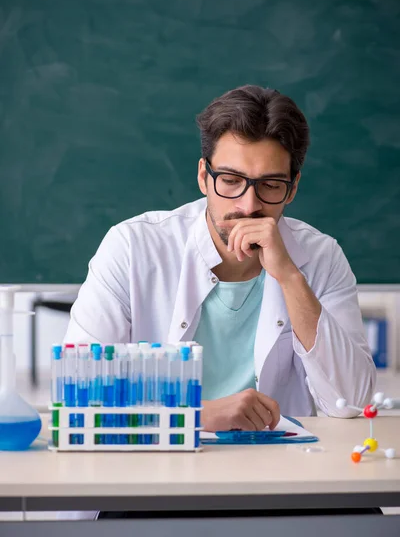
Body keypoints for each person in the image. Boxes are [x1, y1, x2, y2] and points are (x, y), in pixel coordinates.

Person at [63, 85, 378, 521]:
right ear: (203, 177)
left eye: (270, 185)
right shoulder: (134, 247)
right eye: (230, 181)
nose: (248, 206)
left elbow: (351, 401)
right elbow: (81, 405)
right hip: (157, 481)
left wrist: (288, 275)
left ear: (292, 188)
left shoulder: (319, 257)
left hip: (287, 483)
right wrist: (202, 415)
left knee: (365, 520)